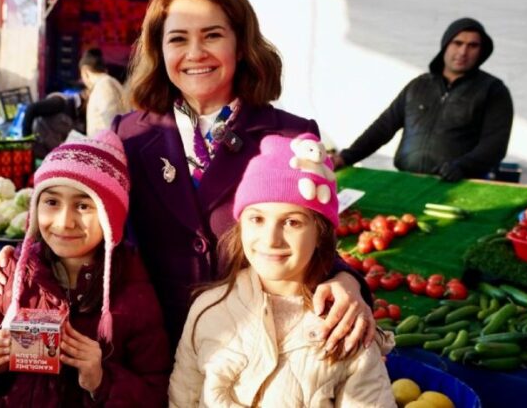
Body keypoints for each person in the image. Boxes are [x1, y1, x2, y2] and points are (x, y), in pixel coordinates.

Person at [0, 0, 373, 357]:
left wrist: (347, 280)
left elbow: (315, 240)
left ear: (241, 44)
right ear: (159, 50)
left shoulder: (291, 135)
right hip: (150, 352)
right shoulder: (127, 134)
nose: (195, 53)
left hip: (255, 351)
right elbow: (86, 224)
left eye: (212, 35)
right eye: (178, 39)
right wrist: (18, 262)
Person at [168, 133, 395, 407]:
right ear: (240, 227)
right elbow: (183, 398)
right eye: (257, 219)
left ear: (320, 234)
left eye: (292, 222)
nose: (271, 239)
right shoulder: (207, 309)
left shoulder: (346, 327)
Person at [0, 131, 171, 406]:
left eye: (83, 205)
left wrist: (101, 381)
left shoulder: (132, 290)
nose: (64, 222)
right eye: (52, 202)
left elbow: (155, 392)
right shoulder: (12, 274)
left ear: (111, 216)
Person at [332, 17, 513, 181]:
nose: (463, 51)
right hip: (405, 181)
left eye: (473, 46)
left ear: (482, 51)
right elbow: (383, 127)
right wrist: (346, 157)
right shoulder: (418, 85)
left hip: (459, 184)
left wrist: (462, 166)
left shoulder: (493, 90)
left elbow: (494, 146)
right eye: (457, 43)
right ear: (445, 45)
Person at [80, 48, 128, 137]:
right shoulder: (107, 83)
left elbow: (112, 125)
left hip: (108, 144)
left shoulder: (104, 85)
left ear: (85, 71)